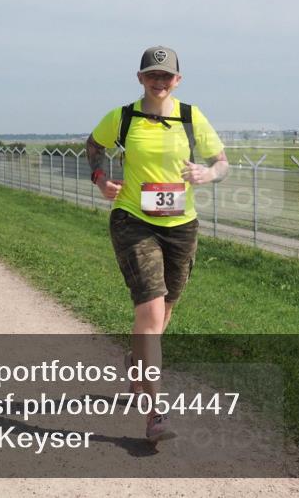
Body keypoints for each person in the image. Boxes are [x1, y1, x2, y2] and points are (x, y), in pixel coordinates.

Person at [87, 46, 228, 443]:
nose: (159, 81)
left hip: (181, 226)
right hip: (133, 220)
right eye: (153, 74)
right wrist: (100, 178)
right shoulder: (123, 117)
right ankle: (156, 413)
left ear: (177, 80)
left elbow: (222, 161)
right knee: (149, 313)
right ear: (140, 78)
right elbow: (93, 145)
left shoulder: (190, 116)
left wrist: (208, 173)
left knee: (164, 313)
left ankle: (136, 362)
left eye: (167, 76)